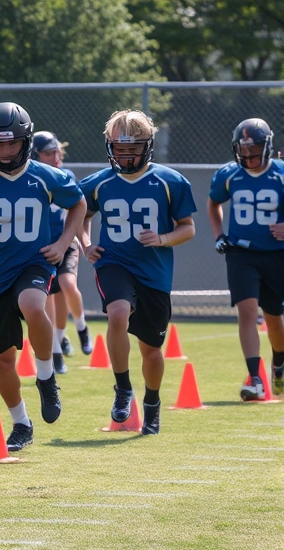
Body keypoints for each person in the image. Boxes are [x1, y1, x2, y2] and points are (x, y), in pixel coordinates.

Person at [0, 103, 85, 451]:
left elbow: (78, 204)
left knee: (33, 305)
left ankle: (45, 374)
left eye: (12, 143)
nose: (6, 151)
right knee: (4, 360)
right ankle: (21, 423)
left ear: (25, 141)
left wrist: (64, 243)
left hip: (33, 263)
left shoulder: (46, 175)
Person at [80, 109, 196, 435]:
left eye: (133, 149)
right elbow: (79, 215)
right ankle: (122, 388)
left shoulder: (170, 181)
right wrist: (86, 243)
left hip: (154, 271)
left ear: (147, 146)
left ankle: (152, 403)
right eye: (120, 149)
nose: (127, 156)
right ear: (110, 147)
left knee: (151, 350)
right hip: (114, 262)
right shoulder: (99, 183)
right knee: (117, 313)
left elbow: (187, 228)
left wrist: (162, 238)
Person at [207, 118, 284, 400]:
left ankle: (279, 361)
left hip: (277, 255)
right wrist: (219, 235)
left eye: (254, 150)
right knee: (247, 309)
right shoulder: (228, 174)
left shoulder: (281, 174)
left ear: (267, 146)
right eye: (244, 150)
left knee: (275, 318)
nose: (249, 156)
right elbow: (213, 202)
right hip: (241, 252)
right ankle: (254, 378)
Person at [30, 131, 93, 374]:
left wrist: (80, 240)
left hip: (65, 243)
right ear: (35, 156)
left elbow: (79, 210)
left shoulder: (65, 176)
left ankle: (81, 326)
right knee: (47, 299)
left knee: (67, 284)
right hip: (43, 246)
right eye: (49, 153)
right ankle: (56, 351)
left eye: (57, 152)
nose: (56, 157)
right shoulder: (30, 178)